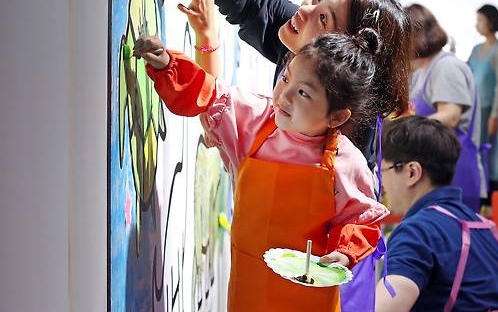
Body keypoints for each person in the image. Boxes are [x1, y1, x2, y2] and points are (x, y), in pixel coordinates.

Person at [149, 0, 413, 310]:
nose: (302, 11)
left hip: (324, 282)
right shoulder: (300, 40)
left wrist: (339, 255)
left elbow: (358, 222)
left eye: (323, 15)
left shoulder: (347, 143)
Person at [134, 26, 389, 312]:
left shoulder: (346, 160)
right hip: (247, 289)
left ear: (337, 116)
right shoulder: (254, 119)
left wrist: (345, 253)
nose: (284, 96)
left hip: (307, 299)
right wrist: (168, 64)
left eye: (303, 93)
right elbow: (206, 92)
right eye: (286, 78)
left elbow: (361, 219)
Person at [375, 116, 498, 312]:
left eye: (383, 170)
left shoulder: (418, 231)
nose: (382, 184)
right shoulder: (484, 227)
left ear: (411, 172)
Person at [405, 4, 483, 212]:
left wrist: (406, 129)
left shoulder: (446, 67)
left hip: (455, 174)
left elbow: (450, 116)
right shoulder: (424, 70)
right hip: (436, 171)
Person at [467, 4, 498, 209]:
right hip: (474, 110)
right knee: (475, 152)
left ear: (490, 22)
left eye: (480, 21)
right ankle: (479, 196)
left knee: (489, 154)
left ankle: (491, 201)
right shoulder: (476, 50)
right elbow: (466, 72)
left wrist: (495, 114)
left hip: (487, 110)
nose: (477, 25)